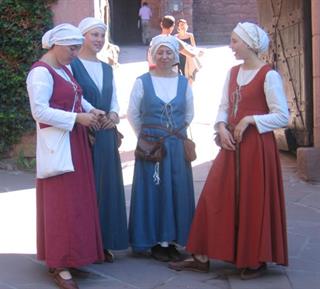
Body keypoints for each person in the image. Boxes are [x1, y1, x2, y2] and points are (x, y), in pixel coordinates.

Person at [169, 22, 289, 280]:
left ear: (250, 44)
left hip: (257, 149)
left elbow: (282, 116)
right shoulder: (233, 72)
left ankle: (254, 259)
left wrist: (250, 120)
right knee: (215, 195)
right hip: (231, 144)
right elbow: (224, 105)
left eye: (235, 41)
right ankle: (201, 255)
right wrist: (221, 126)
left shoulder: (269, 75)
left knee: (252, 200)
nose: (231, 46)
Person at [26, 23, 105, 289]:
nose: (75, 52)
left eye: (76, 48)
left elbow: (77, 97)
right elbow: (40, 112)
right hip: (58, 145)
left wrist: (93, 110)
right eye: (72, 48)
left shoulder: (65, 67)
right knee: (61, 204)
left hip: (75, 141)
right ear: (57, 45)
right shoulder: (40, 73)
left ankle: (73, 256)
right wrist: (77, 118)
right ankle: (59, 262)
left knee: (77, 202)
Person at [127, 35, 195, 262]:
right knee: (152, 192)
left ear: (175, 55)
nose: (164, 57)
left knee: (176, 191)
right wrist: (146, 137)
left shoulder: (184, 82)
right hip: (151, 147)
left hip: (176, 147)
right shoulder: (142, 81)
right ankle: (155, 242)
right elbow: (133, 114)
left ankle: (172, 240)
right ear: (153, 55)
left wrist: (173, 134)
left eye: (168, 53)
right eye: (160, 52)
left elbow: (189, 114)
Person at [70, 17, 129, 263]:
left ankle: (104, 242)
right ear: (82, 36)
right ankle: (85, 243)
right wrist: (93, 113)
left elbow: (113, 96)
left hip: (105, 133)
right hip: (84, 134)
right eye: (93, 35)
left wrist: (114, 115)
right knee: (86, 189)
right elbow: (71, 95)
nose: (98, 40)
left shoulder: (106, 67)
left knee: (107, 189)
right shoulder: (71, 65)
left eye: (101, 36)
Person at [175, 19, 201, 84]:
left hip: (189, 58)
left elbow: (194, 47)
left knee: (189, 76)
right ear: (178, 27)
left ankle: (188, 90)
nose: (183, 26)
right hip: (180, 58)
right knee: (181, 76)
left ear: (187, 26)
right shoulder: (176, 37)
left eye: (184, 25)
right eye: (181, 25)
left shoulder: (190, 35)